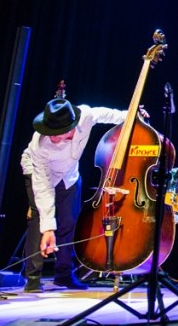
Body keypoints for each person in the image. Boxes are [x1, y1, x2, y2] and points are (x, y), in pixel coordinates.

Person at [20, 96, 129, 292]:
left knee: (69, 221)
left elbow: (107, 114)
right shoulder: (40, 144)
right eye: (49, 132)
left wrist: (131, 116)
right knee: (40, 221)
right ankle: (33, 278)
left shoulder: (85, 116)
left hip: (69, 175)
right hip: (40, 173)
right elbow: (43, 187)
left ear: (70, 126)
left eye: (56, 133)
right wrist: (48, 229)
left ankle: (64, 275)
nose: (52, 137)